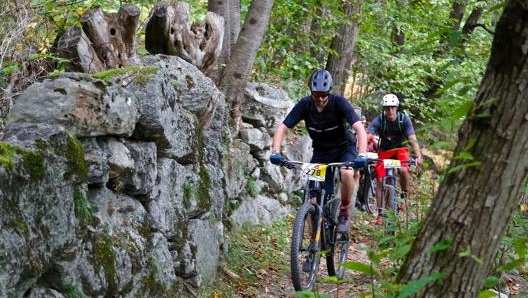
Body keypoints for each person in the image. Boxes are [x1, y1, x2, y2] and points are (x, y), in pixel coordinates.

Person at [270, 69, 368, 234]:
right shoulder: (305, 105)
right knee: (312, 197)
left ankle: (344, 211)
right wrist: (275, 151)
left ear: (329, 92)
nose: (321, 99)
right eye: (316, 94)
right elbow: (282, 127)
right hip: (322, 151)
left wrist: (362, 154)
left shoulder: (339, 102)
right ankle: (312, 244)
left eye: (324, 95)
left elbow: (359, 129)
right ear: (311, 92)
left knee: (346, 173)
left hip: (345, 147)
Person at [367, 93, 423, 225]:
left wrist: (419, 156)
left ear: (396, 108)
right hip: (384, 151)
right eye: (387, 108)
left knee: (403, 170)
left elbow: (412, 139)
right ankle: (380, 213)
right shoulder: (380, 120)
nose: (390, 110)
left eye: (392, 107)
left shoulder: (404, 120)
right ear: (384, 109)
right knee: (380, 180)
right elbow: (369, 135)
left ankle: (403, 197)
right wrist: (362, 152)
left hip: (400, 150)